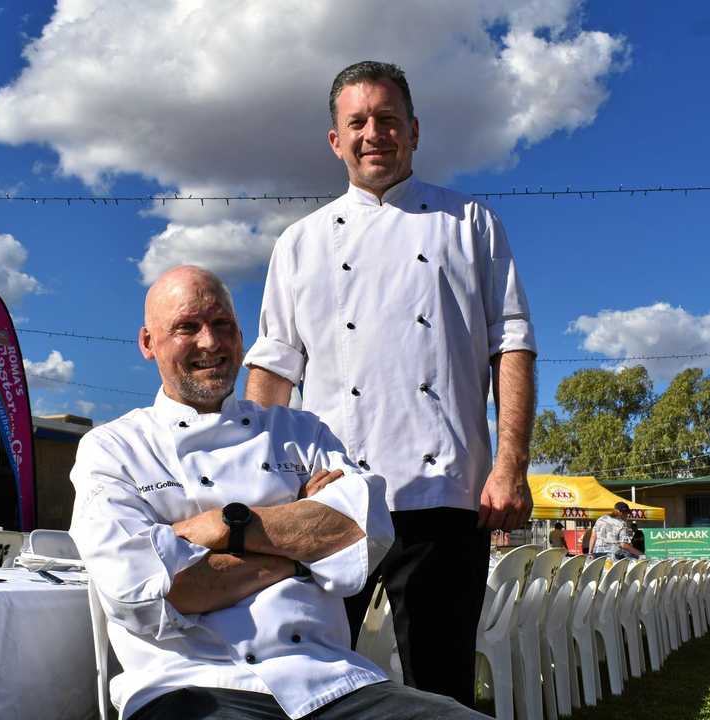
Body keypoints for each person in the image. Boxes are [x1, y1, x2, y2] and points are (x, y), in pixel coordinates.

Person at [68, 266, 488, 720]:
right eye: (187, 327)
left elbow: (364, 532)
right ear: (148, 343)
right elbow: (146, 594)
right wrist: (301, 547)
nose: (210, 342)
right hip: (191, 685)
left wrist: (222, 526)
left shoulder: (301, 431)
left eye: (222, 325)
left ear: (241, 335)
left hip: (333, 681)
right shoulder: (113, 449)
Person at [244, 60, 537, 707]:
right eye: (358, 122)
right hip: (329, 501)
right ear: (335, 139)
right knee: (309, 679)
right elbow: (273, 369)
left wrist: (511, 465)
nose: (373, 133)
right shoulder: (300, 243)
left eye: (387, 120)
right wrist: (262, 485)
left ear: (414, 130)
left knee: (441, 687)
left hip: (446, 494)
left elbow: (511, 345)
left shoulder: (471, 224)